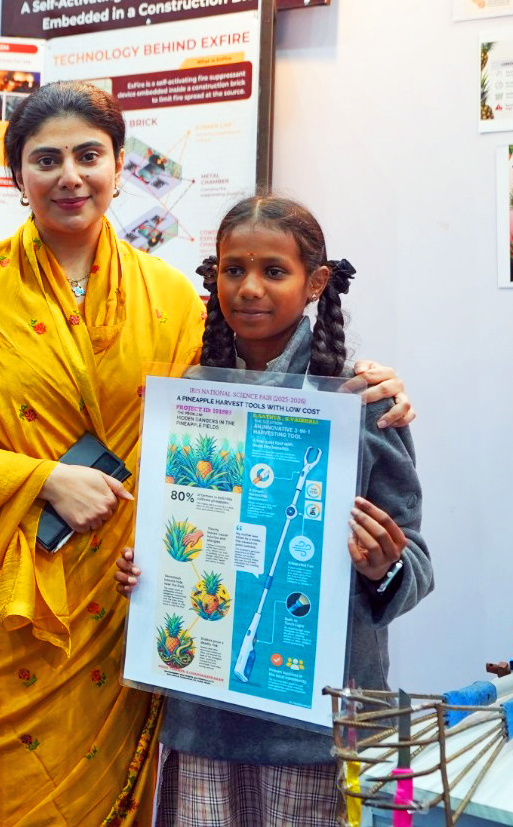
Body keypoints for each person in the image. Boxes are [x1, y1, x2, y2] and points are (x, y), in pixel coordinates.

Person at [0, 81, 413, 826]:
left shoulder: (171, 298)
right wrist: (40, 479)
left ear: (119, 167)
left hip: (130, 612)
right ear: (18, 177)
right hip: (4, 624)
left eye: (88, 155)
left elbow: (232, 418)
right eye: (46, 159)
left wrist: (376, 382)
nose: (69, 175)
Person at [115, 195, 432, 827]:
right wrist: (146, 572)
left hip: (318, 731)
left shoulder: (360, 398)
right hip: (204, 721)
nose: (250, 288)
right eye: (233, 270)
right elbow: (181, 528)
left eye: (274, 271)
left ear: (315, 283)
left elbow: (415, 564)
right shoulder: (191, 397)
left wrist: (382, 567)